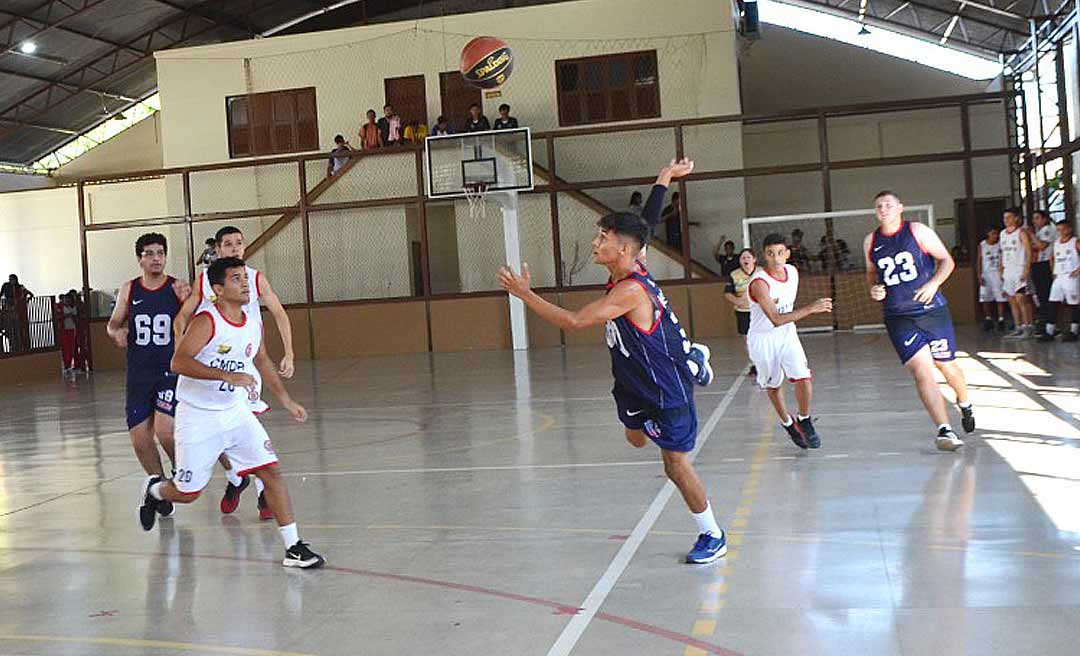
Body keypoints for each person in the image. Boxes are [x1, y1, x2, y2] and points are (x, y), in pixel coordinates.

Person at [498, 211, 727, 564]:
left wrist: (524, 294)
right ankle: (689, 356)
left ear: (623, 249)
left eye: (602, 237)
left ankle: (712, 534)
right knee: (635, 439)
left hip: (665, 389)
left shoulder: (631, 290)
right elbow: (645, 219)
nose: (595, 242)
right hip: (631, 381)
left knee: (675, 465)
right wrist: (665, 179)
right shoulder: (632, 265)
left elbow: (574, 322)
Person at [140, 257, 325, 569]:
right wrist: (224, 375)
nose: (245, 284)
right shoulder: (206, 321)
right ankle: (155, 490)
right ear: (218, 289)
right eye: (236, 279)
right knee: (187, 492)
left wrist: (286, 399)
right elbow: (179, 362)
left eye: (245, 278)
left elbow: (263, 360)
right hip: (198, 416)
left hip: (235, 412)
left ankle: (293, 547)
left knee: (271, 471)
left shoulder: (252, 322)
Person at [175, 225, 297, 520]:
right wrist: (183, 348)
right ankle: (234, 478)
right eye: (228, 244)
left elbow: (279, 312)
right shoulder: (207, 280)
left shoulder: (254, 279)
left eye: (239, 243)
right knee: (217, 433)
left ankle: (262, 496)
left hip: (246, 360)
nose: (234, 248)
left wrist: (290, 352)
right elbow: (182, 317)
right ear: (217, 250)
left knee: (247, 428)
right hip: (215, 362)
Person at [863, 191, 975, 452]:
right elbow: (871, 273)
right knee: (922, 371)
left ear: (900, 207)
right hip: (897, 315)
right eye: (879, 205)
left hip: (931, 311)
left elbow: (946, 260)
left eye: (888, 204)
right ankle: (944, 429)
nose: (883, 208)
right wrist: (874, 288)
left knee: (946, 367)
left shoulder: (917, 231)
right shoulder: (871, 240)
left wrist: (934, 283)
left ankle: (965, 402)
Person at [106, 233, 191, 514]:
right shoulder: (129, 290)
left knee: (165, 430)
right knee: (140, 438)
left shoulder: (177, 289)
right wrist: (118, 332)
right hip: (138, 374)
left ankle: (183, 473)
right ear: (139, 259)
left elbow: (194, 322)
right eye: (149, 254)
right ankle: (159, 486)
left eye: (160, 253)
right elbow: (113, 324)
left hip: (169, 371)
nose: (156, 258)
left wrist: (189, 300)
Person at [746, 234, 831, 449]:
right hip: (763, 339)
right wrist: (811, 308)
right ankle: (787, 423)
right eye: (770, 254)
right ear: (763, 256)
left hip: (787, 334)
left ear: (788, 254)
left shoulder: (792, 272)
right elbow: (775, 319)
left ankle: (804, 418)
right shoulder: (759, 283)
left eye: (780, 253)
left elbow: (784, 319)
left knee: (803, 378)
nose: (776, 258)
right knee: (774, 386)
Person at [1039, 220, 1080, 342]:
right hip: (1059, 276)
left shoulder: (1075, 242)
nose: (1061, 232)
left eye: (1063, 229)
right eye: (1058, 230)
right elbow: (1053, 258)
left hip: (1071, 276)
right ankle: (1049, 331)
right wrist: (1053, 271)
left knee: (1073, 304)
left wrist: (1078, 270)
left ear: (1069, 229)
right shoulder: (1056, 243)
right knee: (1053, 303)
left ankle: (1074, 331)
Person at [1000, 208, 1035, 339]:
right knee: (1011, 299)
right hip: (1007, 269)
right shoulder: (1003, 234)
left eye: (1009, 217)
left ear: (1016, 218)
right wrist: (1001, 267)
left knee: (1021, 298)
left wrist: (1026, 268)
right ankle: (1018, 326)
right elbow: (1002, 252)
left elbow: (1028, 251)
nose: (1006, 220)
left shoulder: (1021, 232)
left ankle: (1027, 327)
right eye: (1004, 218)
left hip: (1019, 268)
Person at [723, 248, 757, 376]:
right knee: (748, 339)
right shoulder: (734, 275)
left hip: (760, 310)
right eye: (743, 258)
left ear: (754, 259)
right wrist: (736, 301)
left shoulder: (761, 272)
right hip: (743, 311)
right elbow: (727, 293)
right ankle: (754, 364)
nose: (746, 260)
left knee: (762, 337)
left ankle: (766, 363)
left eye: (748, 257)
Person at [976, 226, 1008, 332]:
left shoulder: (1000, 244)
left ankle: (1001, 319)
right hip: (986, 274)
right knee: (985, 298)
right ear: (988, 234)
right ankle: (988, 319)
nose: (995, 236)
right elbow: (979, 261)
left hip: (998, 273)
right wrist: (979, 275)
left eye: (996, 233)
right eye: (993, 233)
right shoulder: (982, 245)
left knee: (1000, 298)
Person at [1030, 210, 1056, 328]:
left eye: (1037, 218)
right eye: (1033, 218)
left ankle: (1051, 323)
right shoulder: (1039, 231)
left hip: (1045, 264)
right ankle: (1045, 320)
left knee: (1046, 293)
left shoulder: (1048, 230)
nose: (1034, 221)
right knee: (1040, 294)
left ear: (1045, 219)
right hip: (1038, 263)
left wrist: (1031, 235)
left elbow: (1041, 246)